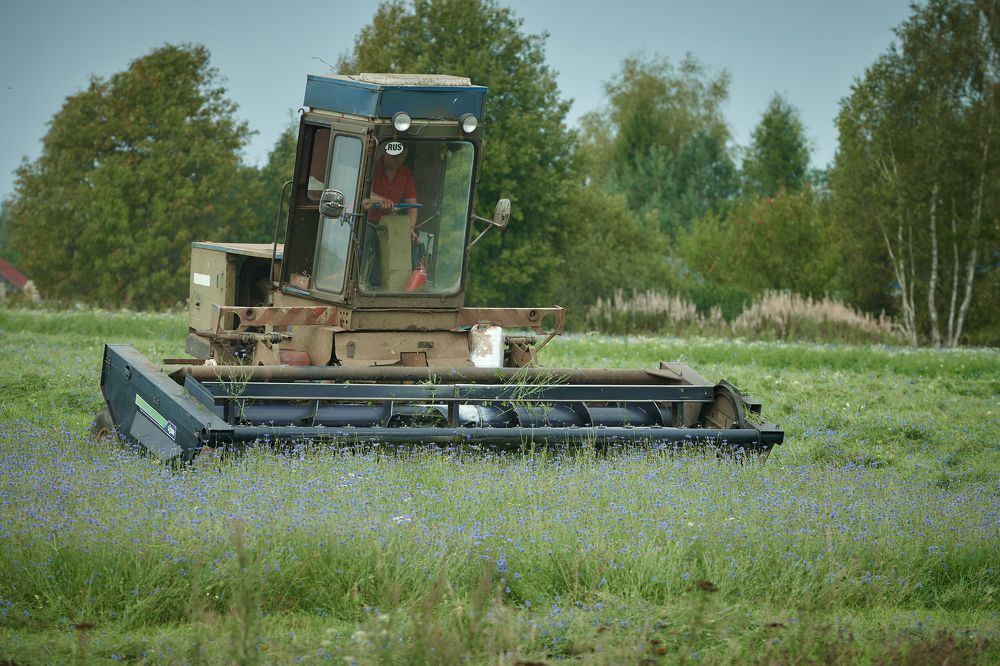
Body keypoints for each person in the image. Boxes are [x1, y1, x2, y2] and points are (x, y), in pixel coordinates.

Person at [369, 142, 419, 242]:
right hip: (367, 222)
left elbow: (412, 205)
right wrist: (381, 201)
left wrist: (410, 229)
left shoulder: (406, 173)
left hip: (391, 224)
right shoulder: (371, 167)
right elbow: (362, 192)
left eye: (402, 156)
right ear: (386, 152)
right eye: (394, 156)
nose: (398, 160)